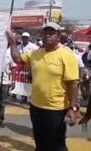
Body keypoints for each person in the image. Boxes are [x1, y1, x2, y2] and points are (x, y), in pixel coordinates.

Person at [6, 22, 79, 151]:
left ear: (58, 36)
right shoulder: (35, 54)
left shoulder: (67, 55)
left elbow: (73, 83)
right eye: (46, 33)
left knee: (57, 144)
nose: (48, 35)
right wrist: (12, 42)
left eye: (52, 33)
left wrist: (72, 108)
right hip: (36, 106)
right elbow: (17, 59)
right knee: (40, 140)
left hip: (56, 108)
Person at [17, 32, 39, 107]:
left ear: (29, 38)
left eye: (26, 37)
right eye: (23, 37)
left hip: (30, 67)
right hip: (21, 68)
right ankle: (23, 98)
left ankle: (31, 97)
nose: (24, 39)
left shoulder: (34, 47)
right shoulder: (19, 47)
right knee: (22, 83)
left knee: (30, 83)